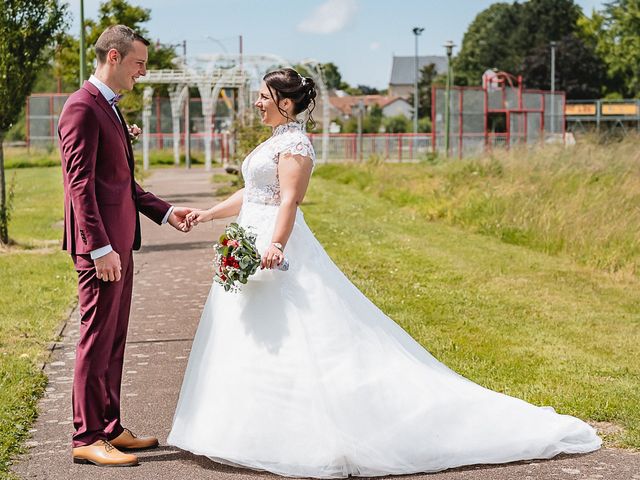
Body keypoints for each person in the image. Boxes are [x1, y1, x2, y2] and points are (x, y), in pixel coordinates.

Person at [167, 68, 601, 478]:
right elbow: (254, 192)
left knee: (300, 334)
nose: (257, 104)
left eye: (264, 97)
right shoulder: (273, 141)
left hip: (272, 246)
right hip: (249, 239)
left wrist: (276, 245)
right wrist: (207, 215)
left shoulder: (296, 145)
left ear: (285, 103)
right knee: (251, 335)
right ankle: (248, 426)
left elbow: (288, 202)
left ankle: (315, 434)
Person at [58, 25, 193, 467]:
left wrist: (165, 211)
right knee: (96, 339)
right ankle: (86, 435)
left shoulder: (110, 108)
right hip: (101, 250)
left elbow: (119, 183)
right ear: (113, 58)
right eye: (139, 63)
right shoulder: (82, 107)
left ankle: (111, 427)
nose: (143, 72)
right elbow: (80, 187)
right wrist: (98, 248)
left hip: (120, 245)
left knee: (115, 339)